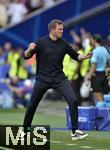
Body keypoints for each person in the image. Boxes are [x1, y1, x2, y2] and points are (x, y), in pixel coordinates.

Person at [23, 19, 92, 140]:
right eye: (60, 29)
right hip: (42, 79)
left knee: (73, 100)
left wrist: (85, 56)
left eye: (62, 29)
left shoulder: (64, 43)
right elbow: (26, 56)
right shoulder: (41, 42)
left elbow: (75, 56)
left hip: (59, 79)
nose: (62, 31)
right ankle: (25, 131)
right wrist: (29, 49)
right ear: (52, 30)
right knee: (32, 105)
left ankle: (75, 131)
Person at [86, 34, 110, 107]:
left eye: (91, 39)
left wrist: (88, 78)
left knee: (99, 100)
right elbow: (109, 63)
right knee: (105, 99)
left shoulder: (95, 52)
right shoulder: (105, 50)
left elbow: (93, 67)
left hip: (96, 76)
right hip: (104, 75)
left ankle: (101, 117)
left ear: (94, 40)